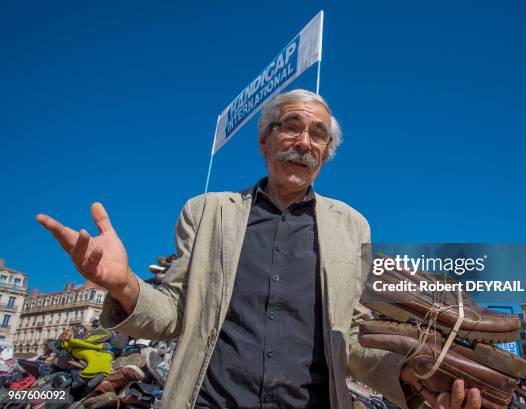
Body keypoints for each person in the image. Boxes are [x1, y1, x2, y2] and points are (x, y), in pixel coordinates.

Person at [36, 89, 482, 409]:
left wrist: (413, 377)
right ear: (265, 140)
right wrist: (125, 285)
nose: (304, 142)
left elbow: (355, 336)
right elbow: (173, 312)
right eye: (292, 127)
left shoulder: (352, 226)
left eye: (318, 135)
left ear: (326, 153)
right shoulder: (206, 212)